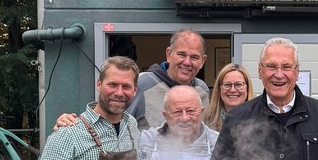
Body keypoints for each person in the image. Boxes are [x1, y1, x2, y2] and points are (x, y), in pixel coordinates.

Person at [55, 29, 210, 131]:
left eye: (194, 57)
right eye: (182, 55)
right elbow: (109, 115)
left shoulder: (202, 90)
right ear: (169, 54)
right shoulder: (142, 84)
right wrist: (76, 126)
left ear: (203, 61)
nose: (187, 62)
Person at [205, 63, 254, 132]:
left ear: (247, 87)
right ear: (219, 89)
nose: (233, 90)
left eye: (238, 84)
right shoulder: (207, 120)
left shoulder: (260, 118)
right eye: (227, 85)